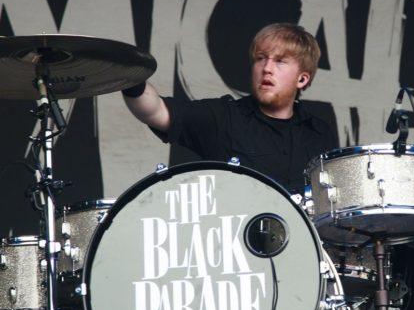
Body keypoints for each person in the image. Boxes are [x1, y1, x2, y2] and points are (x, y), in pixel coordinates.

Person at [121, 23, 338, 194]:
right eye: (260, 59)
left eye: (280, 61)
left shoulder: (319, 133)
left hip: (305, 246)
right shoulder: (224, 117)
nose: (267, 68)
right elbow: (155, 111)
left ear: (302, 79)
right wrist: (128, 74)